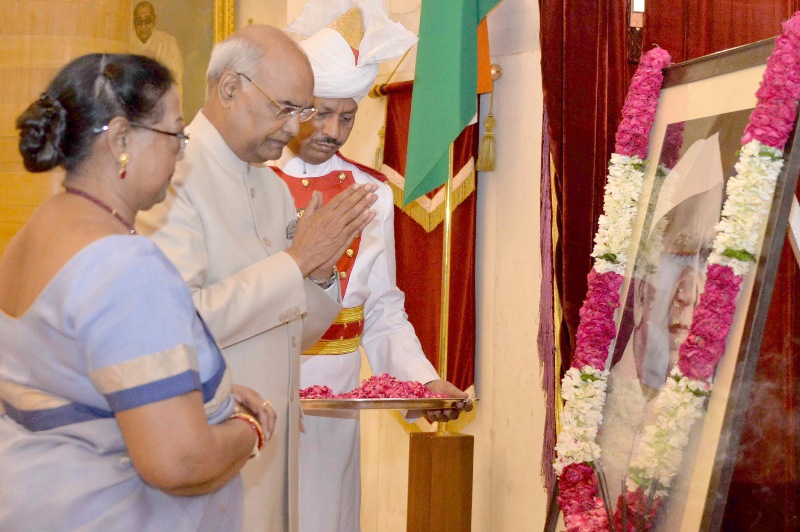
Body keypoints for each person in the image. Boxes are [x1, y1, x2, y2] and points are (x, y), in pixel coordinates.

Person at [0, 53, 275, 530]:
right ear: (122, 138)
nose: (181, 152)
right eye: (175, 134)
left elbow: (77, 380)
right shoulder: (125, 265)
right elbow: (179, 463)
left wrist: (205, 397)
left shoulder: (37, 230)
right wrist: (247, 431)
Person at [137, 25, 378, 532]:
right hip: (200, 455)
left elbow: (289, 334)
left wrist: (317, 272)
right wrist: (293, 264)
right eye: (285, 108)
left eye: (302, 112)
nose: (296, 129)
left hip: (271, 451)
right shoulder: (171, 176)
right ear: (230, 88)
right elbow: (176, 326)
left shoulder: (269, 188)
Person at [277, 4, 472, 530]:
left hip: (335, 407)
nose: (334, 131)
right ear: (292, 106)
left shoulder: (371, 191)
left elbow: (382, 309)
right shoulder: (250, 179)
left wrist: (421, 383)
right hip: (257, 395)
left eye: (348, 116)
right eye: (320, 113)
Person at [132, 1, 183, 104]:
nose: (143, 27)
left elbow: (175, 80)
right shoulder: (127, 43)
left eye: (147, 21)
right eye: (139, 22)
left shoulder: (168, 44)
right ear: (134, 23)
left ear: (154, 21)